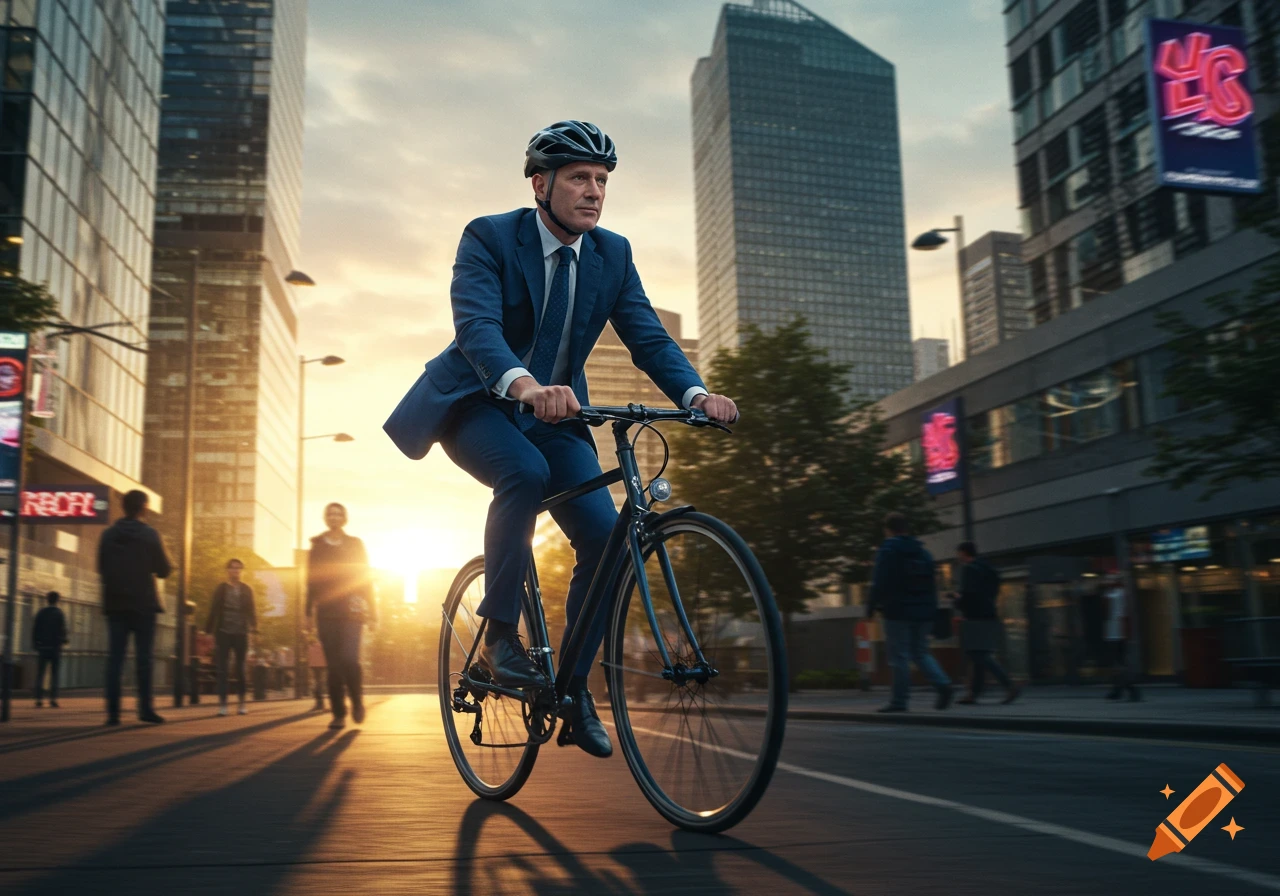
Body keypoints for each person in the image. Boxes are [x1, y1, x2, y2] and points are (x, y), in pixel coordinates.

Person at [383, 120, 737, 758]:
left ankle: (573, 691)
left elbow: (648, 337)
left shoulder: (612, 254)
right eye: (579, 178)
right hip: (478, 403)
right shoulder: (489, 237)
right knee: (523, 472)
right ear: (541, 184)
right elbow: (477, 328)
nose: (594, 191)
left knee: (605, 539)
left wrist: (695, 395)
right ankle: (498, 639)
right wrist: (522, 385)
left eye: (602, 180)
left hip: (560, 416)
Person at [866, 512, 953, 713]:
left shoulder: (887, 550)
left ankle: (899, 701)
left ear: (888, 530)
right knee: (920, 652)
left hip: (897, 611)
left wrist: (870, 608)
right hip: (923, 612)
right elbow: (933, 586)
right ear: (906, 529)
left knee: (899, 657)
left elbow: (879, 582)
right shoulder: (924, 553)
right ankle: (942, 684)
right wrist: (932, 611)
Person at [98, 489, 171, 725]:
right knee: (144, 659)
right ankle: (145, 709)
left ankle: (112, 713)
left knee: (115, 659)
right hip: (143, 604)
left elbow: (101, 567)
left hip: (116, 603)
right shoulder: (150, 534)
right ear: (143, 508)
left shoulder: (108, 535)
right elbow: (164, 569)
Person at [305, 503, 375, 729]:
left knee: (349, 659)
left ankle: (356, 700)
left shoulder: (355, 544)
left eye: (338, 514)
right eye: (330, 514)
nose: (334, 517)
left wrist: (373, 611)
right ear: (326, 518)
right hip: (326, 611)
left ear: (344, 518)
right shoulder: (316, 546)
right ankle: (338, 713)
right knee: (333, 666)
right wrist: (308, 612)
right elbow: (311, 580)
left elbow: (365, 576)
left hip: (352, 610)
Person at [949, 542, 1019, 705]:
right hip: (990, 614)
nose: (958, 558)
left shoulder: (969, 569)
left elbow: (968, 595)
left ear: (964, 553)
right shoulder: (987, 568)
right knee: (979, 654)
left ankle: (1009, 685)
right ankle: (973, 694)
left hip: (975, 616)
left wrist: (957, 599)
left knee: (977, 654)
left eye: (959, 554)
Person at [204, 558, 258, 716]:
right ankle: (223, 705)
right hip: (223, 632)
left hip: (241, 632)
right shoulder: (221, 588)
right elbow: (213, 609)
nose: (236, 571)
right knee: (223, 669)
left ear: (242, 571)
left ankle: (241, 703)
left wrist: (254, 629)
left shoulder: (247, 589)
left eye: (238, 569)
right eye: (233, 568)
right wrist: (208, 631)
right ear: (227, 571)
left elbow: (251, 610)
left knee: (240, 669)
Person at [1102, 573, 1141, 701]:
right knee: (1118, 663)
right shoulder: (1115, 594)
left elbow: (1111, 613)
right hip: (1114, 633)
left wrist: (1125, 634)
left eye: (1109, 581)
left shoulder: (1117, 594)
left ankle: (1130, 688)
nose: (1107, 583)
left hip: (1116, 634)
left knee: (1119, 663)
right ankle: (1118, 689)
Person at [31, 591, 69, 707]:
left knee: (40, 674)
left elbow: (35, 629)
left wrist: (35, 643)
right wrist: (64, 640)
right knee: (54, 674)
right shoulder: (59, 613)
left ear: (47, 600)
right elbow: (62, 630)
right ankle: (53, 699)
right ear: (57, 600)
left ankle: (38, 699)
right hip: (55, 648)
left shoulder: (41, 613)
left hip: (43, 647)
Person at [308, 636, 327, 712]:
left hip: (314, 667)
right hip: (323, 666)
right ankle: (321, 704)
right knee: (320, 684)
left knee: (317, 684)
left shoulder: (310, 647)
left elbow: (309, 658)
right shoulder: (322, 646)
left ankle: (319, 703)